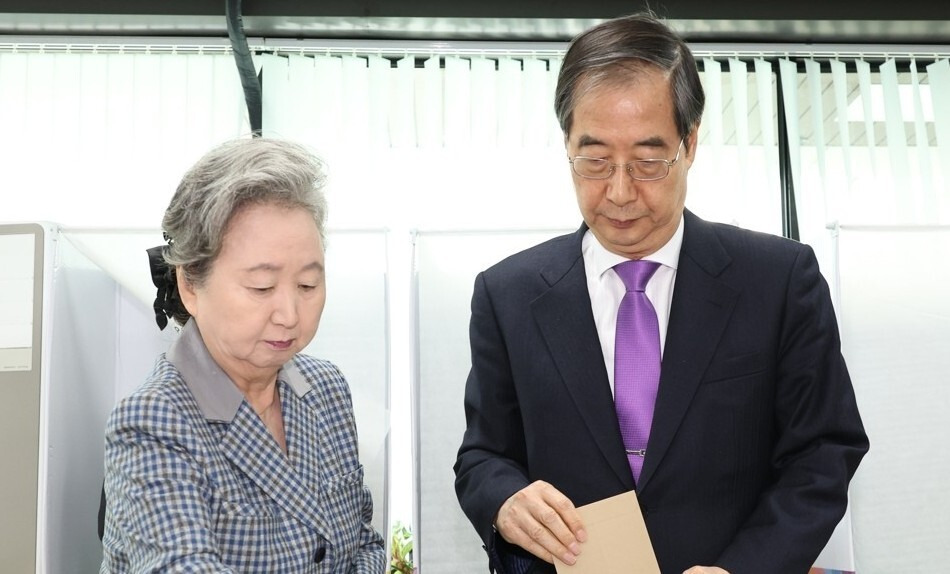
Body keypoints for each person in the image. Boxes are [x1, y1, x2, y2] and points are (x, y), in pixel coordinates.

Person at [454, 12, 868, 574]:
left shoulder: (778, 280)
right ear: (567, 144)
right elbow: (483, 455)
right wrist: (505, 500)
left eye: (648, 161)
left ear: (689, 143)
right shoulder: (506, 295)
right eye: (594, 160)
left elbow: (822, 452)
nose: (619, 192)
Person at [100, 138, 386, 573]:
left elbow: (363, 543)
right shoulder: (153, 422)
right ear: (190, 285)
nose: (290, 314)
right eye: (261, 287)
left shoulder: (326, 389)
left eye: (308, 285)